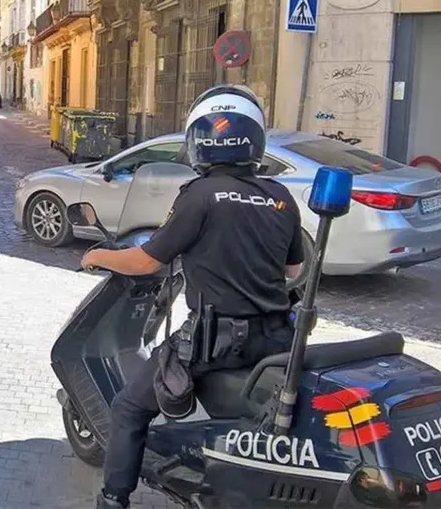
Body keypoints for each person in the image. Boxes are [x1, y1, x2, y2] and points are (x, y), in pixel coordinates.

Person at [83, 85, 305, 509]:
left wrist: (100, 255)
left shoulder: (200, 195)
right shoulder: (281, 197)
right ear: (254, 140)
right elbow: (293, 271)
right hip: (277, 340)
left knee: (129, 407)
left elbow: (149, 260)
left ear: (199, 141)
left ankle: (113, 499)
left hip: (215, 344)